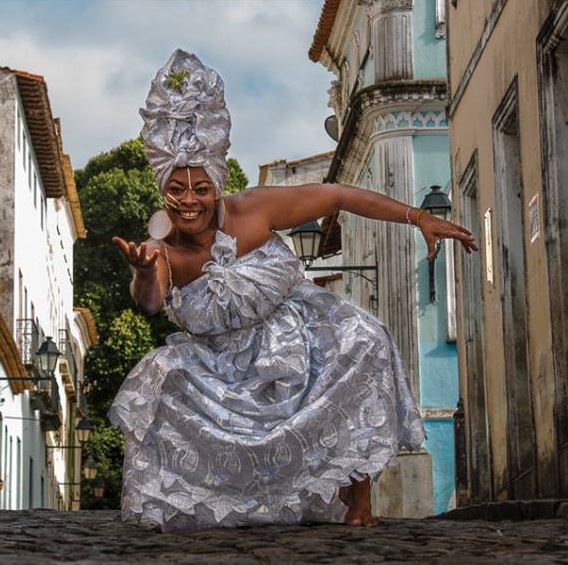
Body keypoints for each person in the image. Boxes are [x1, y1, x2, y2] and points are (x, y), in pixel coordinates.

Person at [109, 49, 477, 532]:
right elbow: (151, 302)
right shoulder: (161, 250)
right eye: (177, 189)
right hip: (221, 366)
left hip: (300, 336)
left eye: (201, 188)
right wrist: (142, 273)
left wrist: (419, 217)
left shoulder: (254, 209)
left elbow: (340, 195)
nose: (189, 201)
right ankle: (182, 497)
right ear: (163, 192)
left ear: (217, 186)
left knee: (363, 337)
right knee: (158, 374)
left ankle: (358, 494)